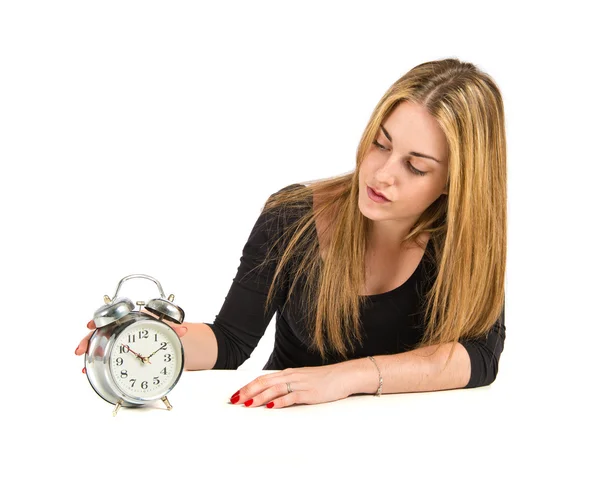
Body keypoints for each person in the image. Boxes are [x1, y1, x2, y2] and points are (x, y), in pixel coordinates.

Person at [75, 57, 507, 409]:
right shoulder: (293, 216)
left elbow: (480, 357)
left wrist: (345, 378)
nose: (381, 173)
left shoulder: (464, 243)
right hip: (288, 436)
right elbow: (230, 342)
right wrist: (145, 343)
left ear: (456, 181)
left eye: (415, 166)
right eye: (380, 143)